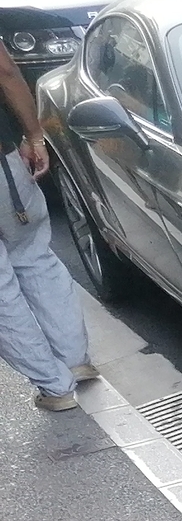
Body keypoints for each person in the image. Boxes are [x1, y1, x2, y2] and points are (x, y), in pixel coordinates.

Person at [0, 49, 93, 415]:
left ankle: (55, 386)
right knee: (34, 254)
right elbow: (6, 70)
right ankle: (74, 359)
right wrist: (34, 135)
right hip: (4, 168)